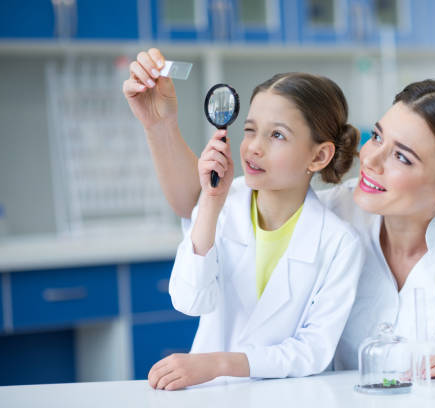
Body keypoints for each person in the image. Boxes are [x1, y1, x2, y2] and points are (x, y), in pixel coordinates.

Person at [125, 49, 435, 377]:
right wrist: (160, 124)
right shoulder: (337, 210)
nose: (371, 159)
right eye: (378, 135)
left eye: (402, 156)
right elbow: (203, 200)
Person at [124, 50, 364, 390]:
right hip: (210, 395)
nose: (253, 147)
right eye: (250, 130)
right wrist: (209, 203)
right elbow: (190, 301)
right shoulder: (223, 206)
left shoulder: (339, 243)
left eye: (277, 135)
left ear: (319, 155)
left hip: (286, 396)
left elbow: (313, 351)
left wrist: (220, 363)